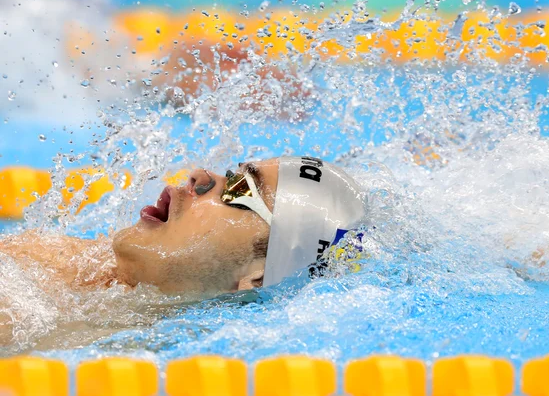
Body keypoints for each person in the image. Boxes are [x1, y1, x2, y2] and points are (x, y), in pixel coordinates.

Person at [0, 157, 366, 297]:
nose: (200, 175)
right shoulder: (72, 261)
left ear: (256, 279)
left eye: (241, 190)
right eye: (231, 175)